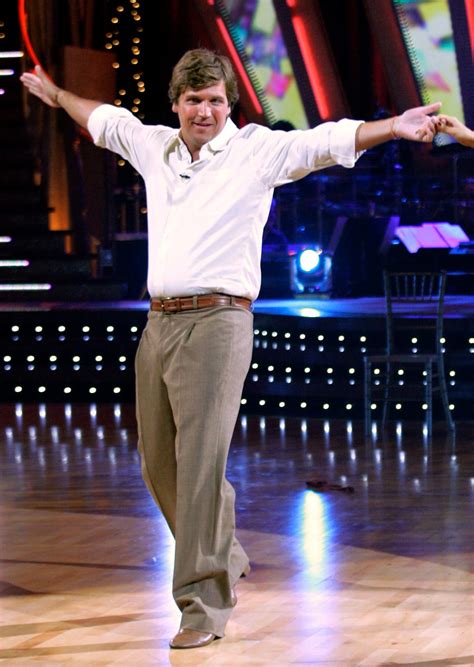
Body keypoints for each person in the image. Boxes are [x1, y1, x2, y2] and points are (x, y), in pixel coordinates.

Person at [21, 48, 440, 649]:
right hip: (159, 324)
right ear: (176, 103)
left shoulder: (254, 150)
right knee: (157, 463)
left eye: (216, 100)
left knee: (199, 465)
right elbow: (102, 118)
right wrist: (58, 95)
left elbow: (327, 140)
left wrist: (394, 126)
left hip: (219, 322)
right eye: (194, 100)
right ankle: (224, 551)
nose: (205, 111)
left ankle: (203, 604)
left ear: (229, 105)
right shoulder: (154, 146)